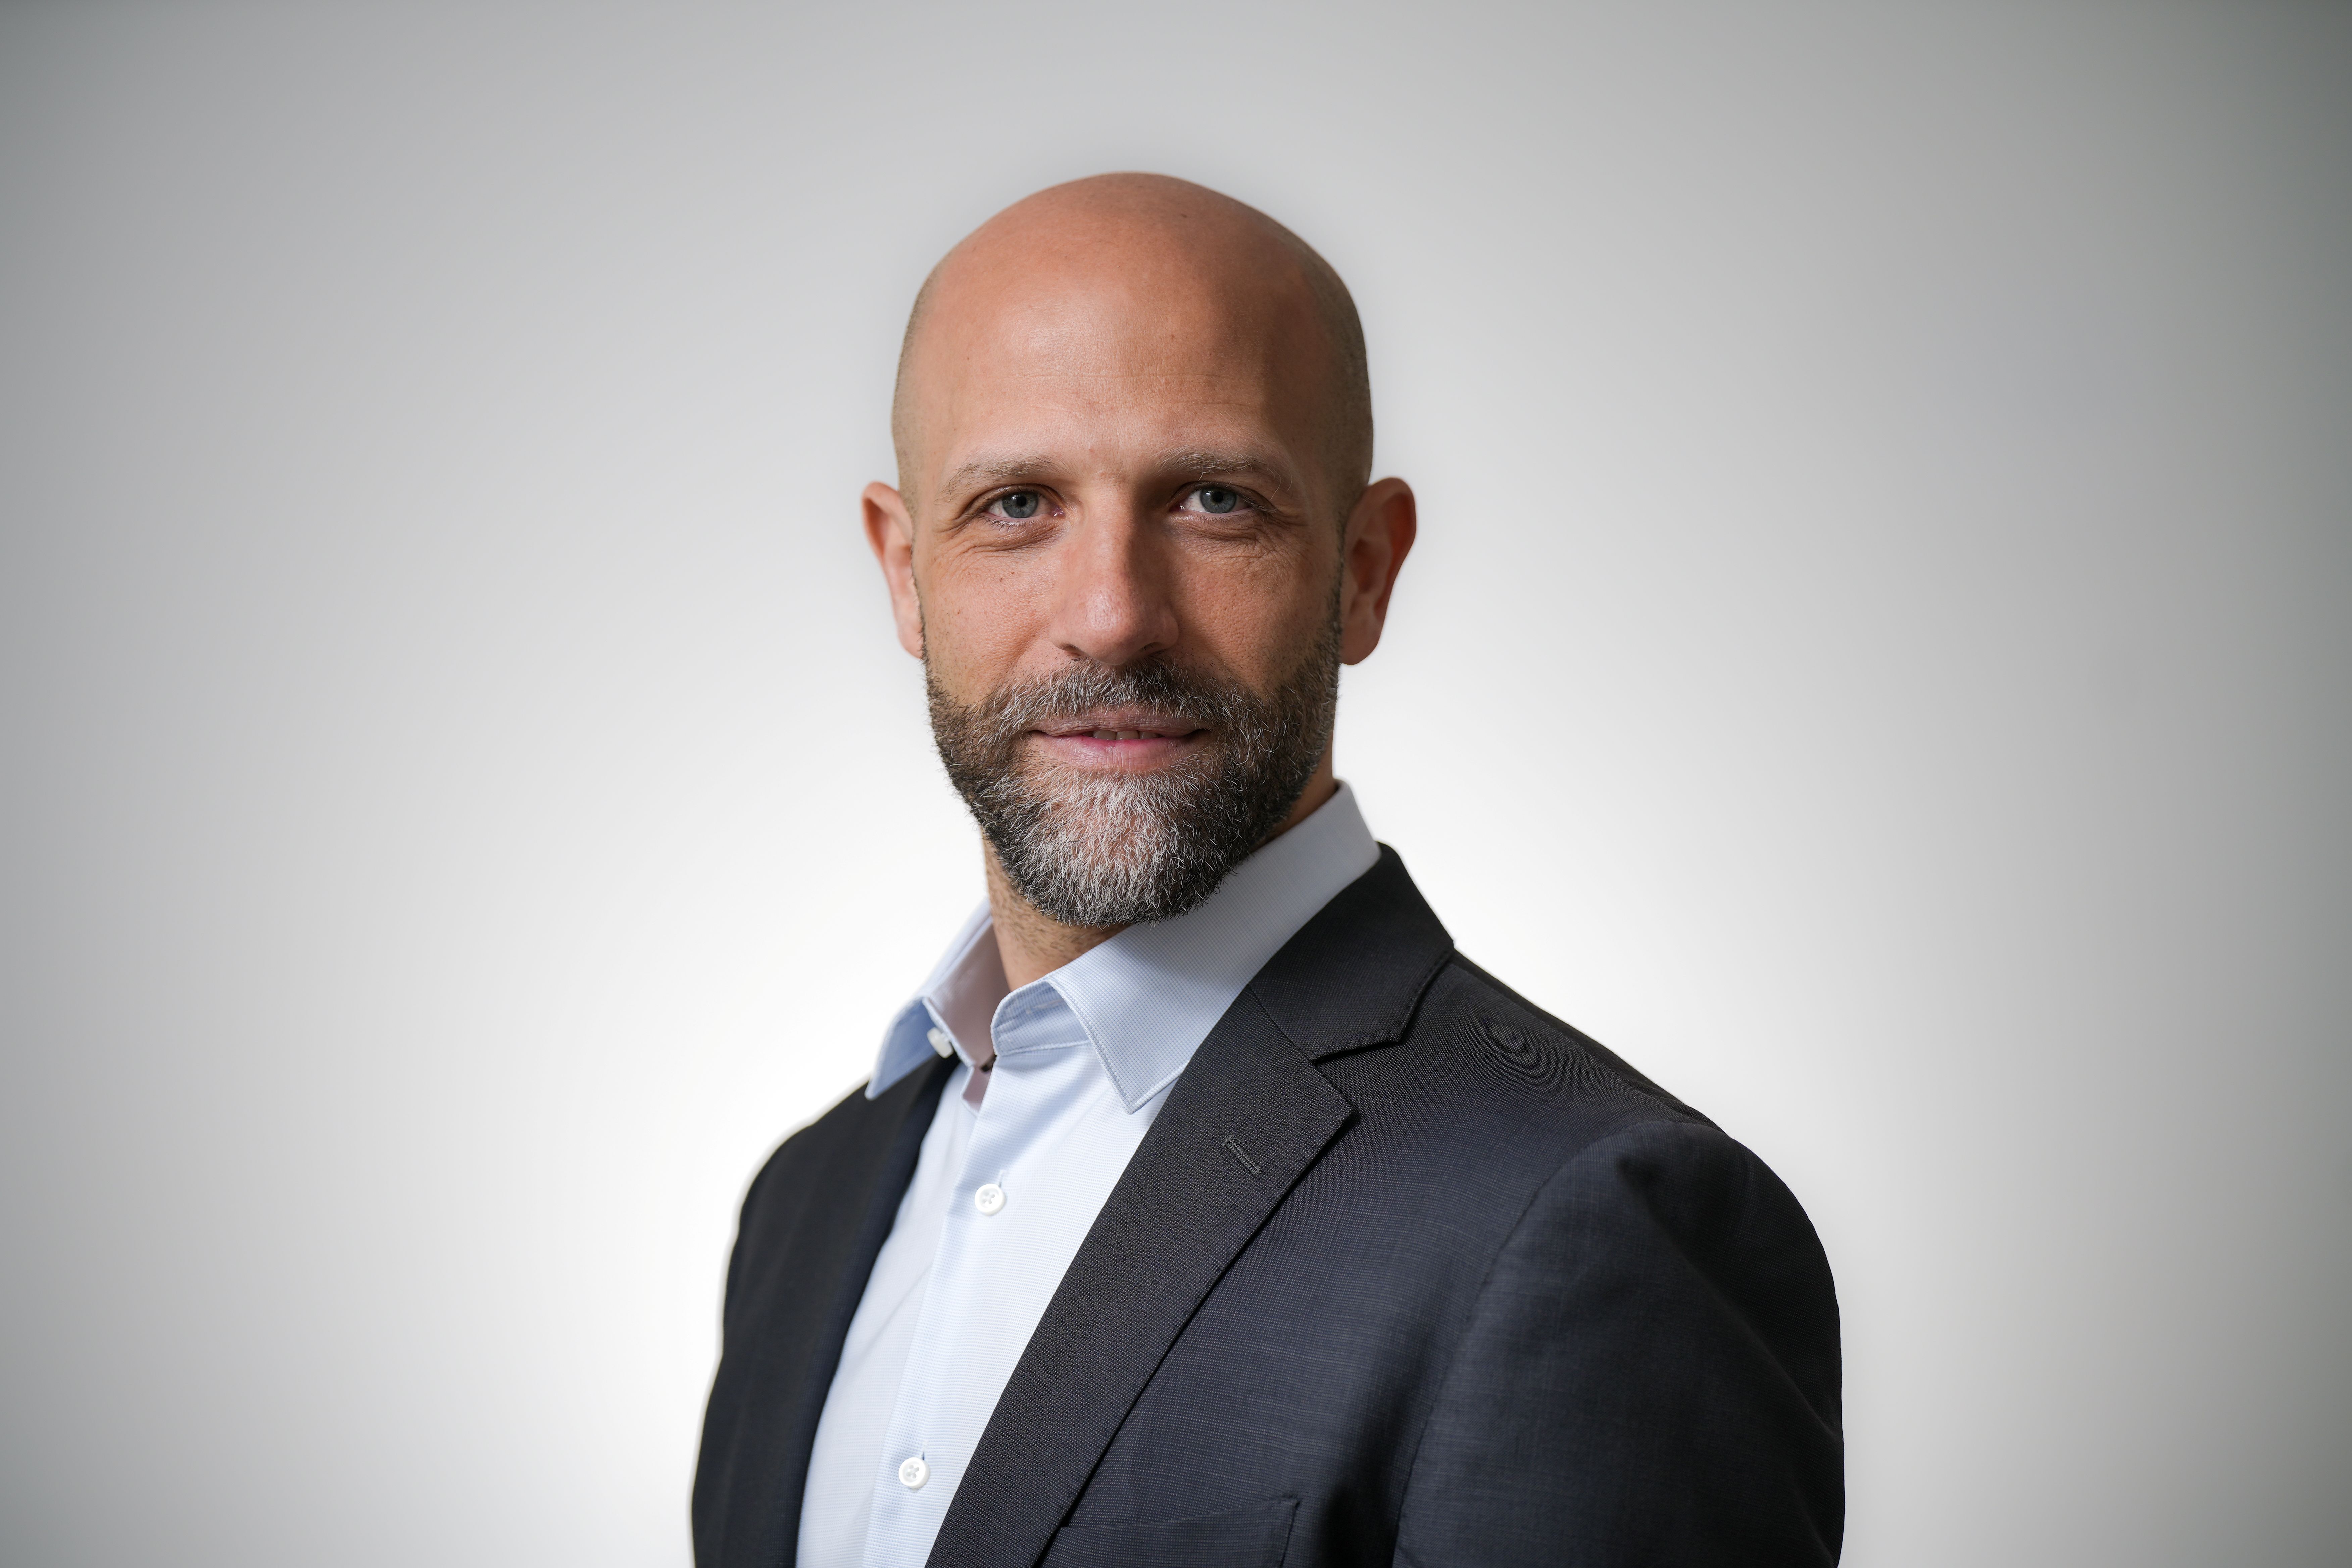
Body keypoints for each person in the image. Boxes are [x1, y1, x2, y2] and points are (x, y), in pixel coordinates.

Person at [692, 173, 1842, 1568]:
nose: (1112, 615)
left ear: (1364, 570)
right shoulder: (808, 1205)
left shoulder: (1594, 1217)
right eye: (1017, 504)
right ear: (904, 572)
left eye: (1215, 501)